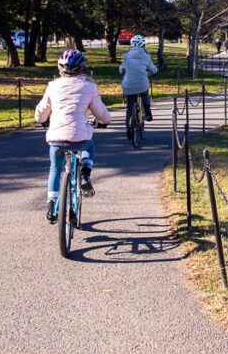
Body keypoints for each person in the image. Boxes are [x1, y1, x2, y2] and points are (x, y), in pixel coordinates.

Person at [35, 49, 112, 224]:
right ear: (81, 68)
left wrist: (42, 121)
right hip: (80, 137)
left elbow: (41, 111)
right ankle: (85, 173)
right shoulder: (88, 87)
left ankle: (52, 204)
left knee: (55, 168)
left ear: (60, 68)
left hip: (56, 137)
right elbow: (100, 112)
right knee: (89, 145)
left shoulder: (52, 87)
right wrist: (106, 121)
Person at [119, 35, 157, 134]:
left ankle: (128, 128)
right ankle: (148, 113)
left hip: (128, 84)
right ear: (143, 45)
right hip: (142, 83)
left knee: (129, 107)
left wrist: (125, 73)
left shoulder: (126, 56)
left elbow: (121, 69)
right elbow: (153, 69)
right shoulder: (146, 56)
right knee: (144, 95)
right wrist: (152, 72)